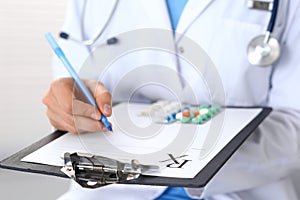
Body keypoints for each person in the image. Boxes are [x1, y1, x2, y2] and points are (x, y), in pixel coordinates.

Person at [42, 0, 300, 199]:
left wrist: (188, 151)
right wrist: (70, 110)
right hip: (110, 190)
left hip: (238, 188)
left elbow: (295, 123)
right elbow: (76, 95)